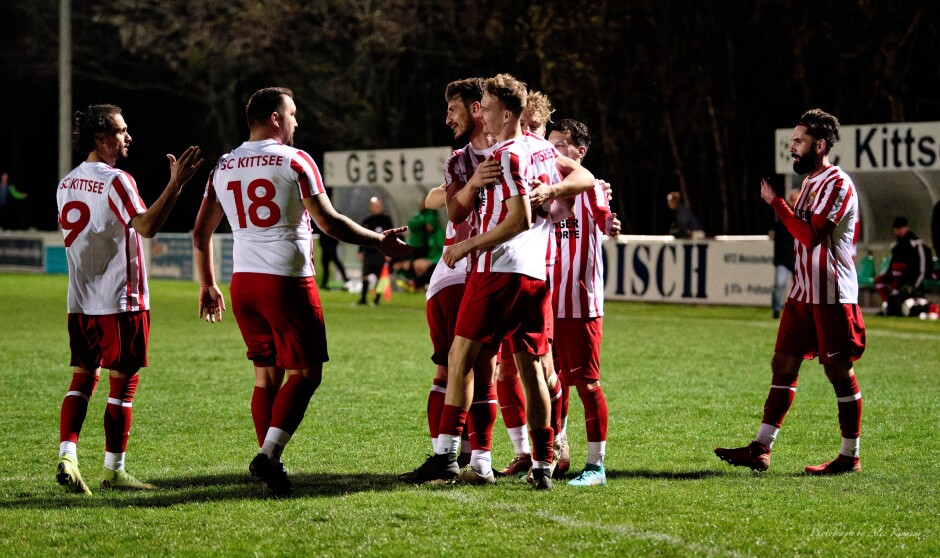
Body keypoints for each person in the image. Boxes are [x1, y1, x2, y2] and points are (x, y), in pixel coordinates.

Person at [192, 87, 410, 496]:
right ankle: (269, 455)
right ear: (275, 117)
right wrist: (378, 241)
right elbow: (329, 222)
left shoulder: (223, 165)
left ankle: (270, 464)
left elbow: (200, 232)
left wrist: (207, 283)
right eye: (292, 113)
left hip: (243, 283)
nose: (296, 121)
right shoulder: (295, 159)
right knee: (306, 373)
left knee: (266, 376)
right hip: (287, 281)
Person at [402, 74, 595, 490]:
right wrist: (553, 190)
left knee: (460, 357)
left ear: (506, 113)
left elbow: (519, 218)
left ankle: (446, 456)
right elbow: (583, 178)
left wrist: (467, 245)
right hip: (536, 276)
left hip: (499, 269)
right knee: (531, 369)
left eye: (485, 107)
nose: (480, 114)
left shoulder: (507, 154)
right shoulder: (542, 148)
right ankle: (543, 465)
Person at [55, 103, 204, 495]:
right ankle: (113, 471)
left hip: (80, 301)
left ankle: (67, 455)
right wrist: (176, 184)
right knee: (124, 384)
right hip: (120, 301)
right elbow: (148, 226)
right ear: (100, 138)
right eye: (121, 131)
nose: (128, 137)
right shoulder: (116, 180)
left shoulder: (66, 183)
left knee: (83, 377)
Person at [715, 108, 866, 475]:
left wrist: (777, 204)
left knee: (838, 372)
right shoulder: (812, 183)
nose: (792, 147)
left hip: (831, 295)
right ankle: (761, 448)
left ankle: (850, 456)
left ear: (821, 144)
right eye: (792, 140)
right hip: (802, 295)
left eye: (799, 141)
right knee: (782, 364)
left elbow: (811, 236)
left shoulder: (837, 184)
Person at [399, 77, 503, 484]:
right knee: (461, 368)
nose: (447, 119)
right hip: (455, 274)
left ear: (477, 109)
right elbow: (453, 210)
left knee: (475, 369)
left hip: (490, 271)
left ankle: (468, 459)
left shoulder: (516, 150)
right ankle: (461, 458)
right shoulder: (460, 160)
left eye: (453, 110)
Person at [547, 118, 620, 487]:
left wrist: (610, 225)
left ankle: (596, 466)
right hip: (545, 301)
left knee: (586, 384)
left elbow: (605, 219)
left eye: (561, 144)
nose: (553, 151)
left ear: (580, 151)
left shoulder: (591, 187)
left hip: (580, 301)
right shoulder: (545, 187)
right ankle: (557, 452)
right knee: (550, 382)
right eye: (550, 143)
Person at [875, 216, 930, 314]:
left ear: (906, 228)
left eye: (900, 228)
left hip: (910, 280)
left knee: (898, 267)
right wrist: (887, 278)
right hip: (898, 281)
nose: (898, 231)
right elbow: (890, 265)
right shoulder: (895, 246)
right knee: (880, 279)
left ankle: (895, 302)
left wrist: (914, 285)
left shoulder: (916, 244)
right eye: (896, 229)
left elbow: (922, 267)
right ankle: (887, 303)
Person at [358, 196, 394, 305]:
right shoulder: (367, 221)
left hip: (380, 252)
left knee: (379, 276)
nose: (377, 207)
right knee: (365, 274)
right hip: (368, 252)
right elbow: (362, 237)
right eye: (375, 205)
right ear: (371, 207)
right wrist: (360, 251)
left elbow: (391, 237)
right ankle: (363, 299)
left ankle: (376, 300)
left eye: (378, 205)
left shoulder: (386, 220)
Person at [771, 190, 800, 319]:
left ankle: (798, 311)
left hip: (798, 258)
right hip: (783, 257)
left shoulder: (803, 214)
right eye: (794, 200)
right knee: (780, 283)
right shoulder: (782, 214)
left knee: (800, 287)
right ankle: (776, 308)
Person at [315, 188, 349, 290]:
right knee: (327, 264)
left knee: (334, 262)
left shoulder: (332, 213)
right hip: (327, 244)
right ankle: (328, 283)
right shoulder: (322, 213)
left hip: (331, 243)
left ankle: (345, 280)